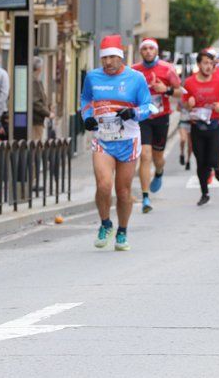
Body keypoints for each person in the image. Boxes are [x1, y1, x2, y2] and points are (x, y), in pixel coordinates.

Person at [81, 35, 151, 251]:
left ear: (121, 57)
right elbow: (85, 101)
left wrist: (134, 112)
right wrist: (87, 118)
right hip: (103, 139)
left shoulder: (136, 78)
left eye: (112, 57)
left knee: (123, 191)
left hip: (128, 140)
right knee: (103, 185)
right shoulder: (93, 77)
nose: (108, 62)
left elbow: (148, 107)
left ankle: (122, 231)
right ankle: (105, 223)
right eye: (104, 58)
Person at [131, 38, 181, 213]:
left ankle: (159, 171)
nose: (148, 51)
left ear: (156, 51)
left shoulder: (167, 69)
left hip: (161, 117)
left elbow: (180, 92)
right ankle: (145, 197)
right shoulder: (134, 71)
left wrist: (165, 90)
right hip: (143, 118)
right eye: (144, 48)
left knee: (157, 157)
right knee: (145, 155)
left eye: (151, 48)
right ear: (140, 52)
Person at [182, 51, 219, 207]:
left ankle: (217, 166)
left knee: (212, 156)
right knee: (201, 161)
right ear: (198, 64)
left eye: (211, 63)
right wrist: (188, 103)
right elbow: (184, 102)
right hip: (197, 124)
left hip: (216, 123)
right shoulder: (190, 82)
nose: (208, 66)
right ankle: (205, 193)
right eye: (205, 63)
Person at [32, 56, 54, 142]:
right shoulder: (34, 81)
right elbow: (35, 102)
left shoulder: (36, 80)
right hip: (35, 120)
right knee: (35, 144)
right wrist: (48, 113)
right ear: (39, 68)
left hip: (37, 120)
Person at [177, 105, 192, 171]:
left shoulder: (192, 99)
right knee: (183, 139)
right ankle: (182, 154)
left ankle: (188, 161)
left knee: (190, 145)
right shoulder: (182, 98)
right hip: (183, 122)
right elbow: (177, 109)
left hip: (191, 123)